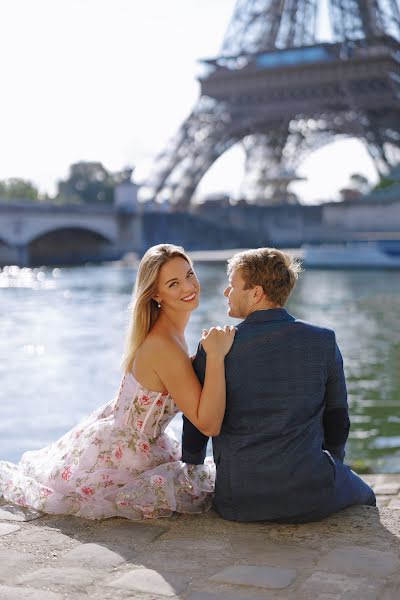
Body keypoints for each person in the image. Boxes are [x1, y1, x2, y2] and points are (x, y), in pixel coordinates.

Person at [0, 244, 235, 520]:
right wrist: (216, 357)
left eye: (189, 274)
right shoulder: (163, 344)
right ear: (156, 294)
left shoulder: (168, 332)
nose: (189, 286)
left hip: (125, 437)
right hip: (124, 456)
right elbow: (207, 424)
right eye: (174, 283)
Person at [182, 247, 376, 522]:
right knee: (367, 497)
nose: (226, 292)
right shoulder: (323, 341)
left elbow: (196, 423)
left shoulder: (215, 348)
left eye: (232, 285)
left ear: (256, 293)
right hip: (311, 493)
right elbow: (337, 417)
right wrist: (333, 463)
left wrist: (193, 462)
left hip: (238, 501)